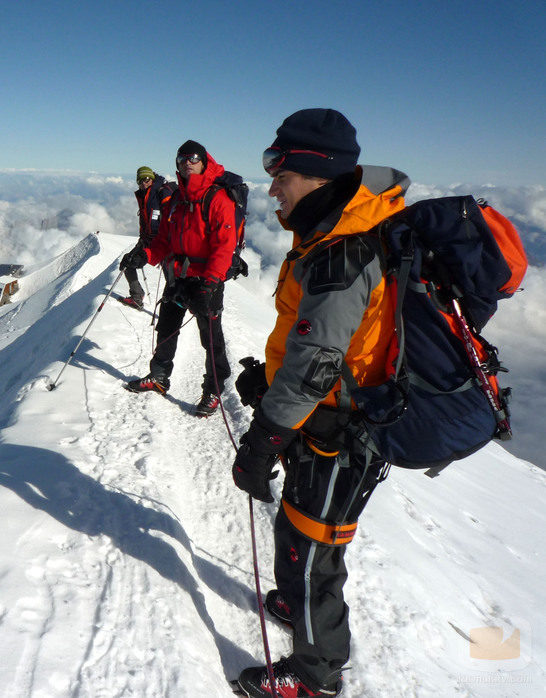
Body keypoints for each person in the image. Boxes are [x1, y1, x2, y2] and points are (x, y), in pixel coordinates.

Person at [230, 109, 410, 697]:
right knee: (299, 530)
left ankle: (316, 677)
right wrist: (272, 385)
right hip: (327, 418)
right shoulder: (329, 236)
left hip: (342, 432)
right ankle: (295, 602)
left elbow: (315, 366)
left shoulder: (343, 252)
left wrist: (263, 438)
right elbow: (317, 349)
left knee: (314, 551)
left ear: (316, 173)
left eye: (279, 170)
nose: (271, 184)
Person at [121, 141, 238, 417]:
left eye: (194, 158)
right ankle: (159, 377)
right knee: (166, 326)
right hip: (180, 276)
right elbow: (165, 239)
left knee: (210, 339)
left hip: (206, 279)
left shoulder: (217, 197)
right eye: (182, 158)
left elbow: (225, 244)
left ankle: (214, 390)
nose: (188, 162)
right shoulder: (177, 198)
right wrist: (144, 256)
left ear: (204, 162)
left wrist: (211, 282)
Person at [120, 166, 176, 310]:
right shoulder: (144, 195)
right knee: (127, 262)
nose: (143, 183)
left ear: (152, 179)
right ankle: (137, 297)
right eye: (140, 180)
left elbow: (172, 219)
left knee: (172, 280)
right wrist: (142, 238)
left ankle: (173, 313)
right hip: (147, 240)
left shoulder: (161, 193)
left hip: (165, 243)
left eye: (146, 179)